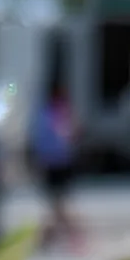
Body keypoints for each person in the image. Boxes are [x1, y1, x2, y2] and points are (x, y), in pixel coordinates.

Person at [32, 86, 79, 247]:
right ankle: (67, 236)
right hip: (58, 162)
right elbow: (68, 135)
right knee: (57, 204)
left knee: (57, 204)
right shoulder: (57, 113)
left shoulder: (46, 113)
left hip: (54, 162)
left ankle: (49, 238)